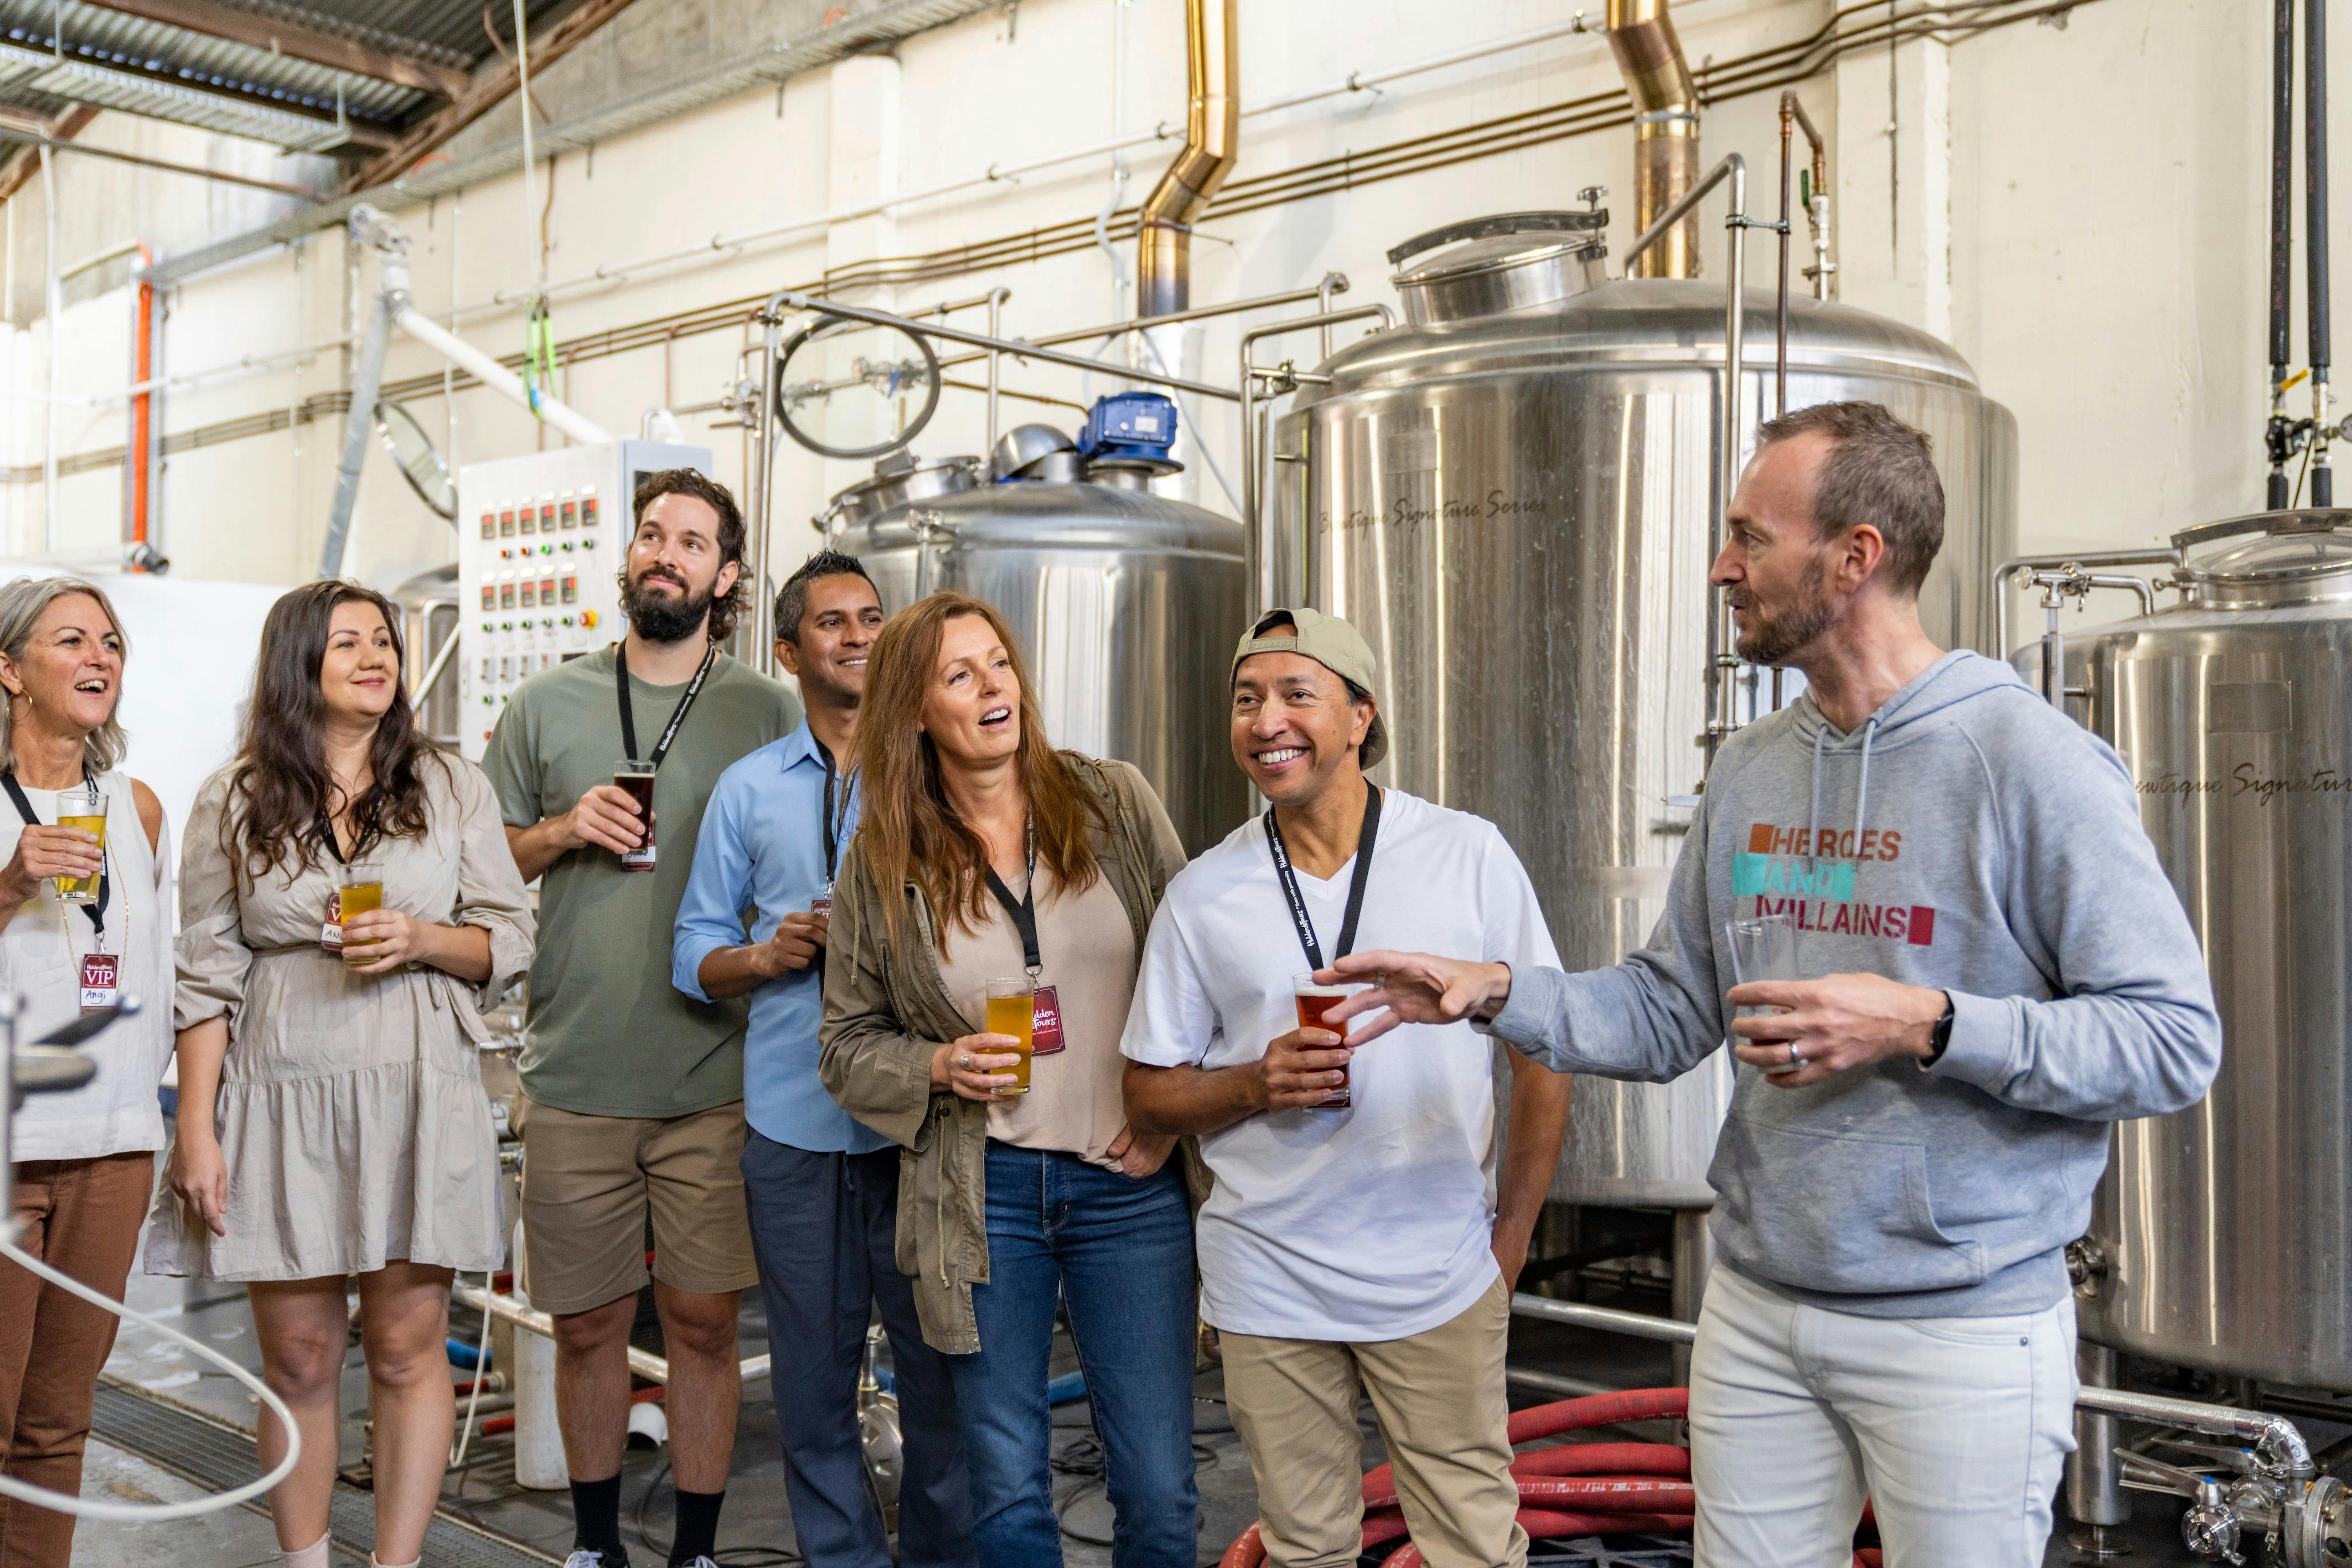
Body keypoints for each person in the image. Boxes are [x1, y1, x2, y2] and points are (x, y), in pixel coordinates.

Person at [1320, 402, 2224, 1568]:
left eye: (1750, 536)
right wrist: (1494, 990)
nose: (1720, 567)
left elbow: (2169, 1039)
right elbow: (1667, 1009)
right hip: (1756, 1306)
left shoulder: (2027, 763)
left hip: (1957, 1325)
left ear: (1855, 557)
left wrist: (1926, 1021)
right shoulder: (1751, 768)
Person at [1119, 607, 1572, 1568]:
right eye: (1246, 699)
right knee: (1305, 1547)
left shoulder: (1465, 853)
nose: (1266, 721)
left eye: (1296, 693)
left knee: (1472, 1545)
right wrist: (1253, 1082)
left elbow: (1543, 1051)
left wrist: (1510, 1239)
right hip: (1268, 1276)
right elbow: (1148, 1094)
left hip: (1436, 1268)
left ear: (1361, 715)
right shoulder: (1202, 892)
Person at [148, 581, 534, 1568]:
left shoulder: (450, 783)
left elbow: (509, 936)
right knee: (299, 1357)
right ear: (298, 664)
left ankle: (396, 1563)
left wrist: (422, 937)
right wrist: (196, 1128)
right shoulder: (233, 798)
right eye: (349, 642)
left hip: (417, 1084)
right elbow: (204, 975)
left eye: (385, 642)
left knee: (406, 1347)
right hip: (283, 1091)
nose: (377, 658)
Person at [819, 592, 1197, 1568]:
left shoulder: (1112, 800)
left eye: (998, 663)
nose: (994, 686)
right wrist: (936, 1063)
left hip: (1128, 1182)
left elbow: (1202, 969)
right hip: (982, 1194)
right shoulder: (882, 858)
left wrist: (1170, 1116)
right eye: (959, 674)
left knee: (1158, 1486)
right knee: (1007, 1487)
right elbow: (844, 1044)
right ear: (914, 712)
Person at [485, 468, 800, 1568]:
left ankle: (696, 1551)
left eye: (693, 541)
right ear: (629, 556)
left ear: (726, 574)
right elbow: (486, 862)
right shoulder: (545, 704)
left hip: (715, 1074)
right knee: (585, 1326)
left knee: (706, 1324)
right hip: (575, 1070)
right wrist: (562, 828)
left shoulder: (767, 711)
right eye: (652, 534)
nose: (666, 553)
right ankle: (593, 1549)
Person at [673, 552, 974, 1568]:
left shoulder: (940, 771)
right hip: (793, 1129)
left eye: (873, 618)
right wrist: (769, 954)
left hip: (920, 1124)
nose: (859, 637)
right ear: (787, 651)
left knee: (942, 1382)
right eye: (833, 622)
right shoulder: (747, 789)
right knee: (810, 1392)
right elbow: (691, 952)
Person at [0, 577, 169, 1567]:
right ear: (10, 670)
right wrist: (10, 881)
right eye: (71, 639)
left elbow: (163, 971)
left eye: (110, 640)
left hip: (113, 1146)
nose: (100, 655)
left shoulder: (137, 808)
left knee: (57, 1424)